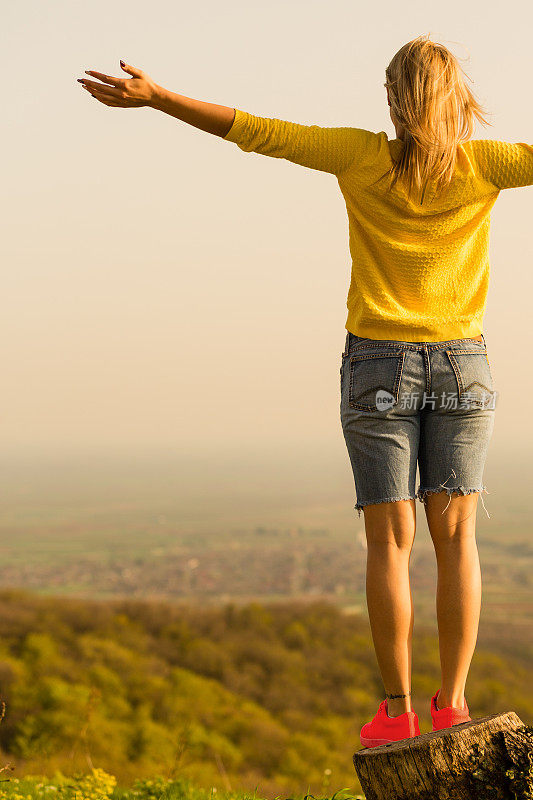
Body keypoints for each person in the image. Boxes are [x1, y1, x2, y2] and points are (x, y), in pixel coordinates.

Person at [77, 33, 533, 748]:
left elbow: (257, 132)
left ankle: (396, 709)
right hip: (462, 365)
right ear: (457, 98)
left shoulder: (359, 156)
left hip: (377, 363)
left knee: (388, 542)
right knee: (457, 538)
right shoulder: (491, 164)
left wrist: (159, 96)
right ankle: (454, 703)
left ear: (392, 99)